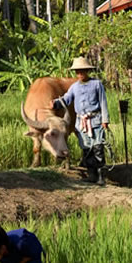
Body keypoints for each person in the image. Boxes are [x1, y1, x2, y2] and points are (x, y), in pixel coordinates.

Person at [52, 56, 110, 185]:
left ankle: (101, 176)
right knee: (86, 148)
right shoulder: (74, 87)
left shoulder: (97, 84)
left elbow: (103, 102)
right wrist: (55, 103)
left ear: (87, 71)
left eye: (82, 71)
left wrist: (105, 119)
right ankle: (91, 175)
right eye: (77, 72)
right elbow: (66, 99)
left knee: (98, 147)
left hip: (95, 120)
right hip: (81, 122)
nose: (80, 74)